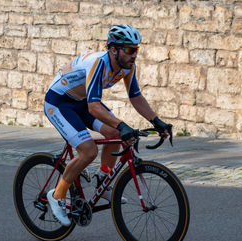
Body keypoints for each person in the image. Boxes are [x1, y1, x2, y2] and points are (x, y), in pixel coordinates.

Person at [44, 24, 172, 226]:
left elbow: (135, 96)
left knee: (114, 132)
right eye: (129, 50)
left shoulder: (127, 67)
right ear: (114, 49)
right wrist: (123, 125)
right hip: (60, 102)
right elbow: (94, 107)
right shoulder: (99, 64)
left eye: (136, 50)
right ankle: (57, 195)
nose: (134, 55)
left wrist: (157, 121)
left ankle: (103, 178)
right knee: (88, 151)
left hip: (83, 102)